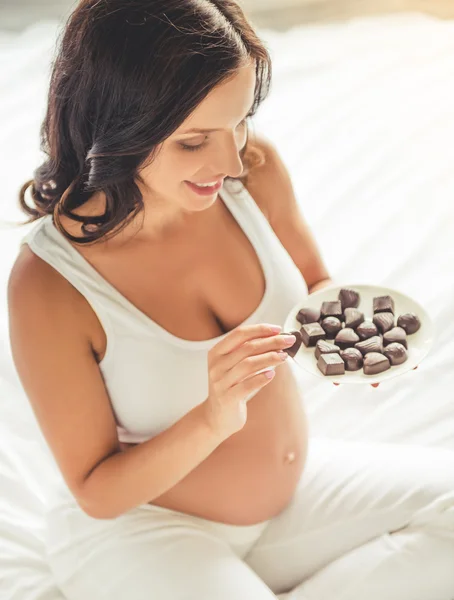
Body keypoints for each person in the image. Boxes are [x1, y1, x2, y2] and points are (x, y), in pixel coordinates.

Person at [7, 1, 454, 599]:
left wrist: (341, 333)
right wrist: (214, 415)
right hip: (144, 531)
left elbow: (314, 281)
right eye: (194, 142)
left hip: (287, 505)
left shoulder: (254, 172)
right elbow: (97, 490)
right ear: (117, 128)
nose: (230, 160)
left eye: (240, 121)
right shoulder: (51, 284)